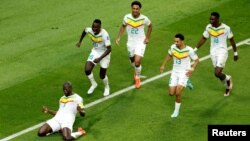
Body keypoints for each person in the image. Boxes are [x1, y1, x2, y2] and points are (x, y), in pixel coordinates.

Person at [194, 12, 238, 96]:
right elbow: (204, 38)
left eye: (212, 19)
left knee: (217, 73)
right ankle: (227, 79)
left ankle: (228, 85)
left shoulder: (226, 28)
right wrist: (195, 49)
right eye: (210, 19)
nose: (210, 20)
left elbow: (232, 40)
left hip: (222, 51)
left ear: (217, 19)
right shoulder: (209, 27)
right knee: (217, 74)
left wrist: (235, 53)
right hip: (213, 52)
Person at [160, 34, 199, 118]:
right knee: (171, 93)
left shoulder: (189, 50)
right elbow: (169, 55)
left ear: (182, 41)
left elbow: (196, 60)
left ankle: (176, 111)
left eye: (177, 41)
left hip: (184, 73)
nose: (175, 43)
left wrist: (192, 69)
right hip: (174, 72)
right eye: (175, 41)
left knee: (178, 93)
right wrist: (163, 65)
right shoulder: (173, 47)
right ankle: (187, 82)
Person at [115, 0, 152, 89]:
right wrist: (118, 37)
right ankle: (136, 69)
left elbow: (150, 26)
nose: (135, 10)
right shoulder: (127, 17)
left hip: (140, 42)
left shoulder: (144, 18)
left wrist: (147, 38)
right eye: (134, 8)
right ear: (131, 8)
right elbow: (123, 26)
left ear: (140, 9)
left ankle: (138, 78)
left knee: (137, 61)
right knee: (132, 61)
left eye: (137, 9)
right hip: (130, 42)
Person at [76, 19, 111, 96]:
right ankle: (94, 84)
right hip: (95, 51)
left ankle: (107, 87)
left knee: (102, 75)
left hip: (104, 53)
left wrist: (99, 58)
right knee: (87, 70)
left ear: (100, 27)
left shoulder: (104, 34)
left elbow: (109, 49)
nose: (94, 29)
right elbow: (84, 31)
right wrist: (80, 42)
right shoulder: (90, 30)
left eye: (96, 27)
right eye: (93, 27)